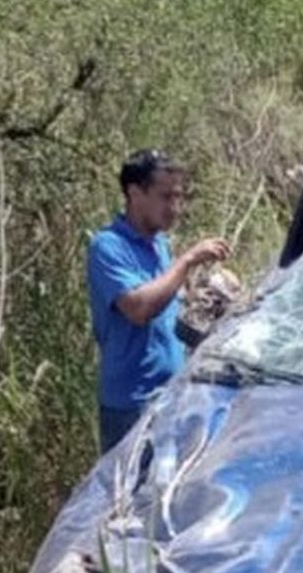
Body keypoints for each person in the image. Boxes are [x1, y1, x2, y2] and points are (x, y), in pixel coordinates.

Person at [87, 149, 230, 453]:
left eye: (179, 197)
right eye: (165, 197)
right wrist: (188, 260)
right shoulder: (107, 247)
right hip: (131, 407)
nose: (175, 208)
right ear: (135, 193)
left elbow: (168, 304)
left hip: (173, 394)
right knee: (132, 498)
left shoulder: (159, 245)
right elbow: (139, 309)